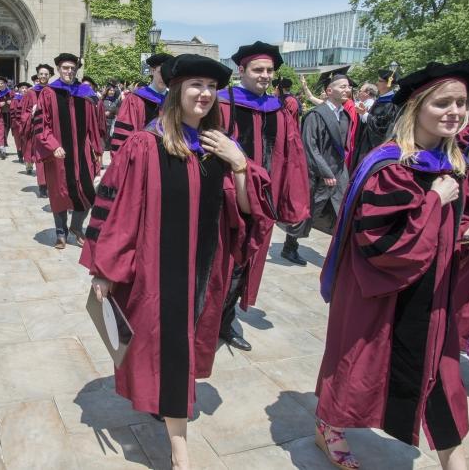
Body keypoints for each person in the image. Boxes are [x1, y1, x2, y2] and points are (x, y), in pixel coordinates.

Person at [79, 54, 275, 470]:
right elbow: (119, 209)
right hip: (160, 269)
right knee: (169, 350)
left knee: (180, 348)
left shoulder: (218, 146)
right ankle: (180, 449)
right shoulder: (146, 145)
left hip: (204, 267)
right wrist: (105, 268)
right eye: (195, 85)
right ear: (176, 91)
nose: (204, 93)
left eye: (210, 87)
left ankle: (171, 418)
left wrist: (240, 163)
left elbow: (246, 208)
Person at [315, 60, 469, 470]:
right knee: (357, 366)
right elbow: (380, 242)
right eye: (442, 103)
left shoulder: (453, 165)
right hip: (382, 291)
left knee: (439, 377)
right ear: (417, 107)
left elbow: (460, 220)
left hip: (433, 293)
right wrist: (434, 201)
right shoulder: (391, 167)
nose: (454, 111)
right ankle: (328, 425)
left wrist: (464, 228)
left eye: (461, 103)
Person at [216, 41, 310, 351]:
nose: (265, 75)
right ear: (241, 70)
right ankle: (205, 319)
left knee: (244, 266)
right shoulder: (222, 104)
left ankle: (224, 320)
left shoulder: (279, 112)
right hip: (226, 201)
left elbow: (293, 158)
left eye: (270, 70)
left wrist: (290, 202)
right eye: (258, 69)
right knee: (219, 264)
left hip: (262, 206)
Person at [33, 53, 102, 249]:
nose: (69, 71)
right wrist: (53, 145)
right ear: (59, 69)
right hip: (59, 155)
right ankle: (61, 233)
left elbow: (94, 125)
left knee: (89, 192)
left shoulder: (85, 92)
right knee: (58, 194)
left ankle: (76, 226)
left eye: (72, 68)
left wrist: (97, 148)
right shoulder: (49, 93)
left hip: (82, 154)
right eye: (65, 68)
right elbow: (41, 125)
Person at [290, 68, 356, 248]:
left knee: (343, 210)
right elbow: (309, 147)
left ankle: (340, 253)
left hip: (339, 171)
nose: (347, 90)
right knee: (309, 211)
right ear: (329, 91)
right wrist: (325, 171)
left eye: (348, 87)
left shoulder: (345, 115)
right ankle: (290, 245)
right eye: (342, 86)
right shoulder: (315, 115)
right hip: (318, 173)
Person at [109, 53, 172, 156]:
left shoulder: (174, 101)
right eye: (161, 72)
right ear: (152, 71)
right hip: (142, 158)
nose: (165, 77)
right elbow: (123, 135)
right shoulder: (135, 99)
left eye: (168, 73)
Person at [350, 68, 400, 169]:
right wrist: (364, 114)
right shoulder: (380, 100)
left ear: (388, 83)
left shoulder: (391, 103)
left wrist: (365, 114)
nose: (376, 83)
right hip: (366, 142)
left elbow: (383, 127)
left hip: (374, 146)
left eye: (379, 81)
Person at [22, 64, 54, 196]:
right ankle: (42, 185)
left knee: (52, 158)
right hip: (37, 129)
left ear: (50, 76)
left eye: (46, 74)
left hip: (52, 129)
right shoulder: (31, 92)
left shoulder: (54, 90)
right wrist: (32, 114)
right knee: (40, 157)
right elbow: (24, 111)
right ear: (38, 75)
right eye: (41, 74)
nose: (43, 76)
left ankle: (51, 183)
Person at [10, 81, 31, 164]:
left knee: (26, 141)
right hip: (17, 124)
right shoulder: (15, 100)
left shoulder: (30, 99)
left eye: (26, 88)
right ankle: (20, 155)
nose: (24, 90)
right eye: (22, 88)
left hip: (27, 124)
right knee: (18, 140)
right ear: (18, 89)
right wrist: (16, 122)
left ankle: (26, 156)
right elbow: (13, 113)